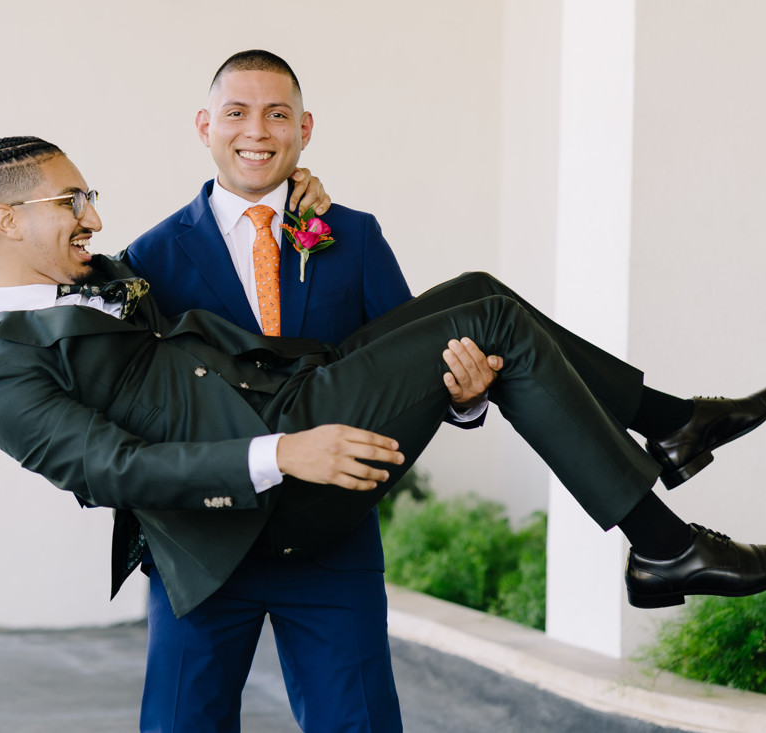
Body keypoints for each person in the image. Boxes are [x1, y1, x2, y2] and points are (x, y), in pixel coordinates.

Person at [0, 135, 766, 731]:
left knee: (485, 301)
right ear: (7, 221)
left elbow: (223, 251)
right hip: (239, 506)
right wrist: (282, 453)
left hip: (300, 403)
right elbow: (109, 466)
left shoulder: (101, 272)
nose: (93, 217)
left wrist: (294, 203)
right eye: (73, 200)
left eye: (91, 198)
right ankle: (665, 504)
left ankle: (671, 450)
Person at [123, 50, 496, 732]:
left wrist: (465, 396)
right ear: (205, 125)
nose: (256, 131)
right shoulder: (148, 260)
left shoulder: (351, 236)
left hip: (333, 542)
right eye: (236, 113)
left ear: (306, 128)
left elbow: (409, 366)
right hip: (204, 545)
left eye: (277, 114)